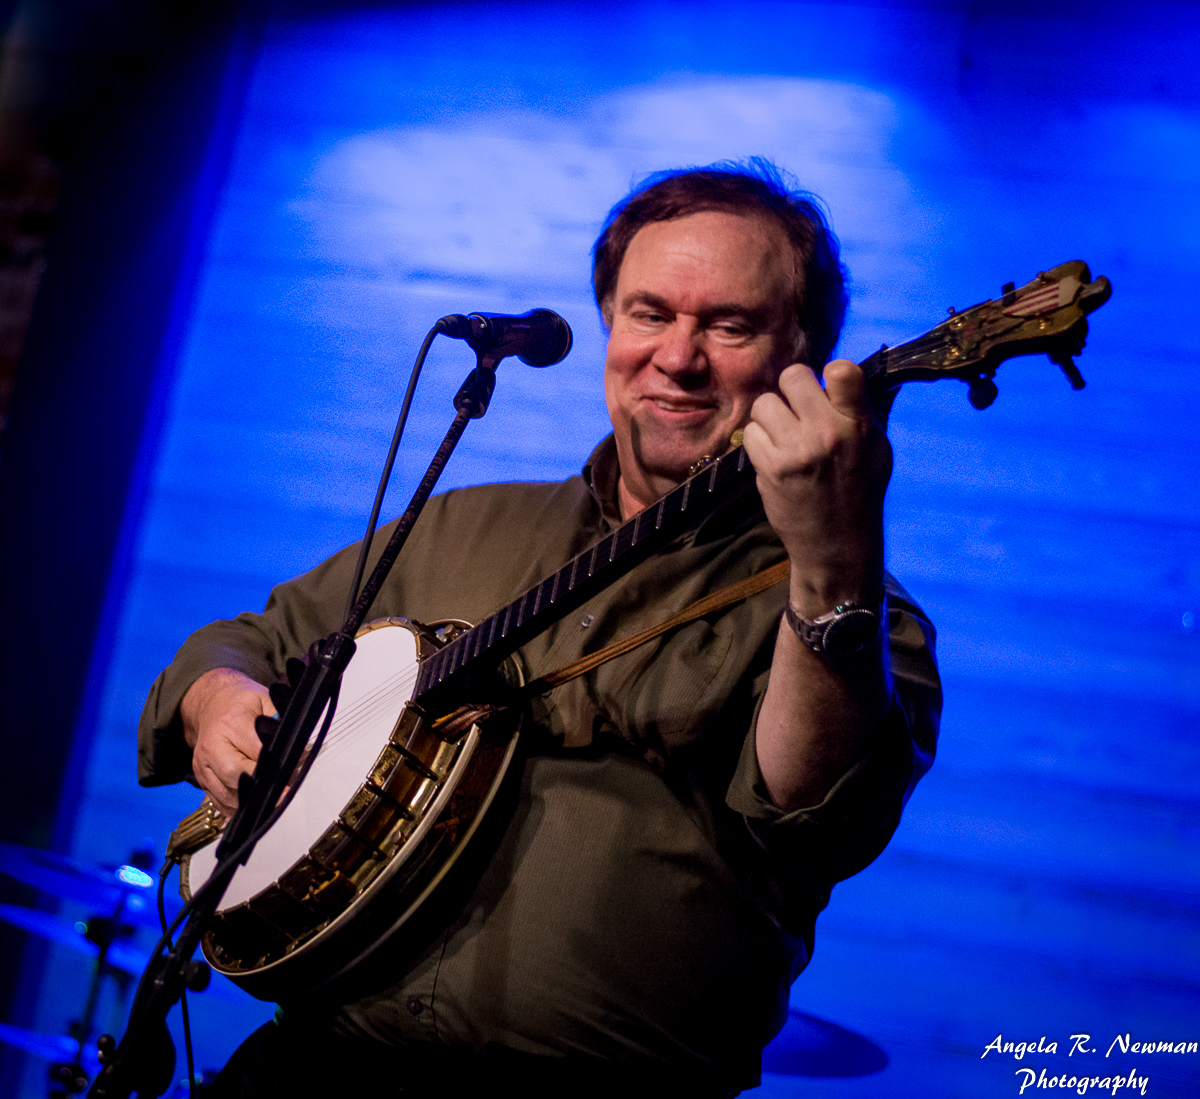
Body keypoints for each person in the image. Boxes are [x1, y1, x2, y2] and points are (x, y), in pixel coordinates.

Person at [138, 160, 941, 1097]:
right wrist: (217, 697)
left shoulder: (858, 614)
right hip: (311, 1065)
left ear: (802, 359)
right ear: (607, 323)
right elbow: (245, 640)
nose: (677, 357)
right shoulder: (461, 522)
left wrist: (833, 566)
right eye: (649, 313)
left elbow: (823, 817)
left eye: (729, 326)